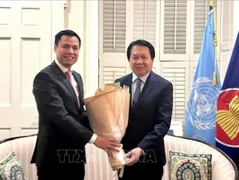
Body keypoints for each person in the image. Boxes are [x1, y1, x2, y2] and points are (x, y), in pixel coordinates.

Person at [31, 29, 120, 180]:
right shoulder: (45, 77)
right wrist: (95, 139)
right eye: (65, 46)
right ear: (55, 48)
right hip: (53, 156)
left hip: (76, 153)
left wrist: (106, 129)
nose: (71, 51)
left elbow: (80, 113)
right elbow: (60, 116)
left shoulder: (76, 77)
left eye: (75, 47)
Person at [115, 39, 173, 180]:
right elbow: (114, 118)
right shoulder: (119, 83)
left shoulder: (164, 86)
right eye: (135, 57)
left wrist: (141, 148)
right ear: (129, 60)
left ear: (152, 60)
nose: (139, 61)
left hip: (150, 157)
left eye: (144, 57)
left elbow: (162, 124)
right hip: (125, 156)